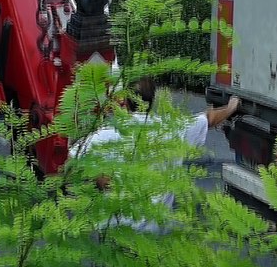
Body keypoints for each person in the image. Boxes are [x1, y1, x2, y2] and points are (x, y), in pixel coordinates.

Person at [71, 78, 240, 231]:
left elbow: (74, 156)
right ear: (152, 101)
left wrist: (103, 181)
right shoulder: (171, 129)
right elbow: (208, 119)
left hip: (115, 229)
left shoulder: (108, 133)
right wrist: (232, 107)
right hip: (154, 231)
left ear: (126, 102)